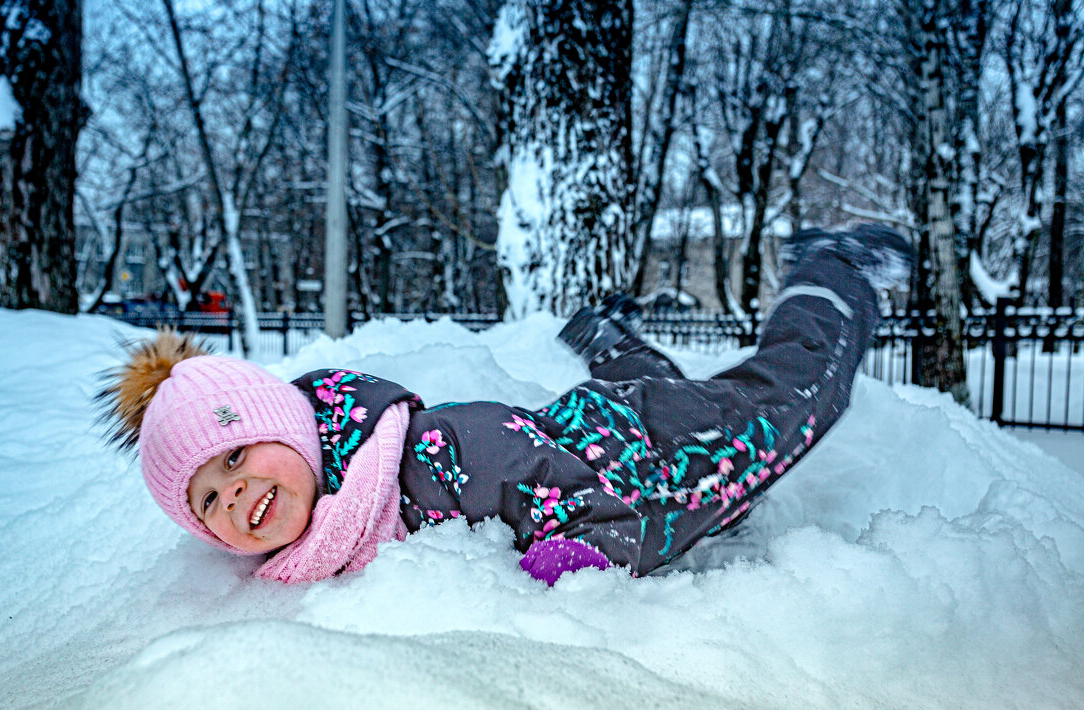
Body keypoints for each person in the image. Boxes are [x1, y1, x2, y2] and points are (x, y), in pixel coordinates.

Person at [97, 226, 911, 586]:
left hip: (641, 462)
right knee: (694, 404)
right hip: (618, 431)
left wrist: (583, 543)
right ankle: (612, 340)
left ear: (288, 430)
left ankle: (833, 269)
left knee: (786, 401)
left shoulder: (408, 454)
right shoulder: (336, 515)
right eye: (207, 498)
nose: (234, 494)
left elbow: (511, 450)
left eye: (235, 455)